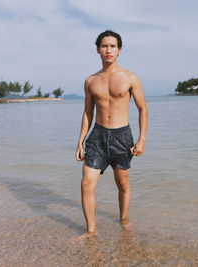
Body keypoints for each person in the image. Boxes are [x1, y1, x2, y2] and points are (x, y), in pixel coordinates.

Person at [75, 30, 148, 238]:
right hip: (97, 138)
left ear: (119, 50)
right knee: (86, 183)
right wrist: (80, 141)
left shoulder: (130, 77)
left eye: (113, 46)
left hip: (122, 137)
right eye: (104, 46)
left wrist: (142, 139)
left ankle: (123, 219)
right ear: (98, 49)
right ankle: (91, 231)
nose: (108, 50)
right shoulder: (90, 81)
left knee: (122, 183)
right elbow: (88, 112)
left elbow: (143, 108)